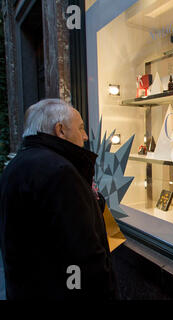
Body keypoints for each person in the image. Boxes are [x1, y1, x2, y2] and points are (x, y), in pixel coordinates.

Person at [0, 99, 120, 300]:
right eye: (81, 128)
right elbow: (83, 253)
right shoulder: (60, 172)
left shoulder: (17, 164)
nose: (84, 136)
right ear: (60, 130)